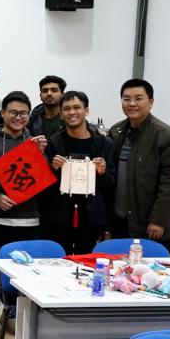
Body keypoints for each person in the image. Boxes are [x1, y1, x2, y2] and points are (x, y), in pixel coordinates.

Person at [0, 91, 46, 337]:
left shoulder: (35, 142)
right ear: (3, 113)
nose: (18, 117)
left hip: (28, 217)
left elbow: (44, 177)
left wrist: (41, 154)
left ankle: (13, 311)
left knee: (20, 268)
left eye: (23, 113)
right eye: (13, 112)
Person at [109, 79, 170, 247]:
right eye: (126, 99)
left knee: (151, 263)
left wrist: (158, 219)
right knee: (118, 261)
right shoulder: (116, 131)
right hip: (120, 217)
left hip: (149, 222)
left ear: (151, 102)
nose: (132, 103)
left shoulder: (165, 136)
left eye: (138, 98)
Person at [45, 91, 115, 255]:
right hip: (59, 218)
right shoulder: (53, 143)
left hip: (92, 218)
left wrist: (102, 173)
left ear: (86, 110)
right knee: (58, 263)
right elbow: (45, 188)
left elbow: (112, 185)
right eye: (66, 109)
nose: (71, 112)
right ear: (61, 114)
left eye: (76, 107)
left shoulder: (105, 144)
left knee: (88, 264)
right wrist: (53, 169)